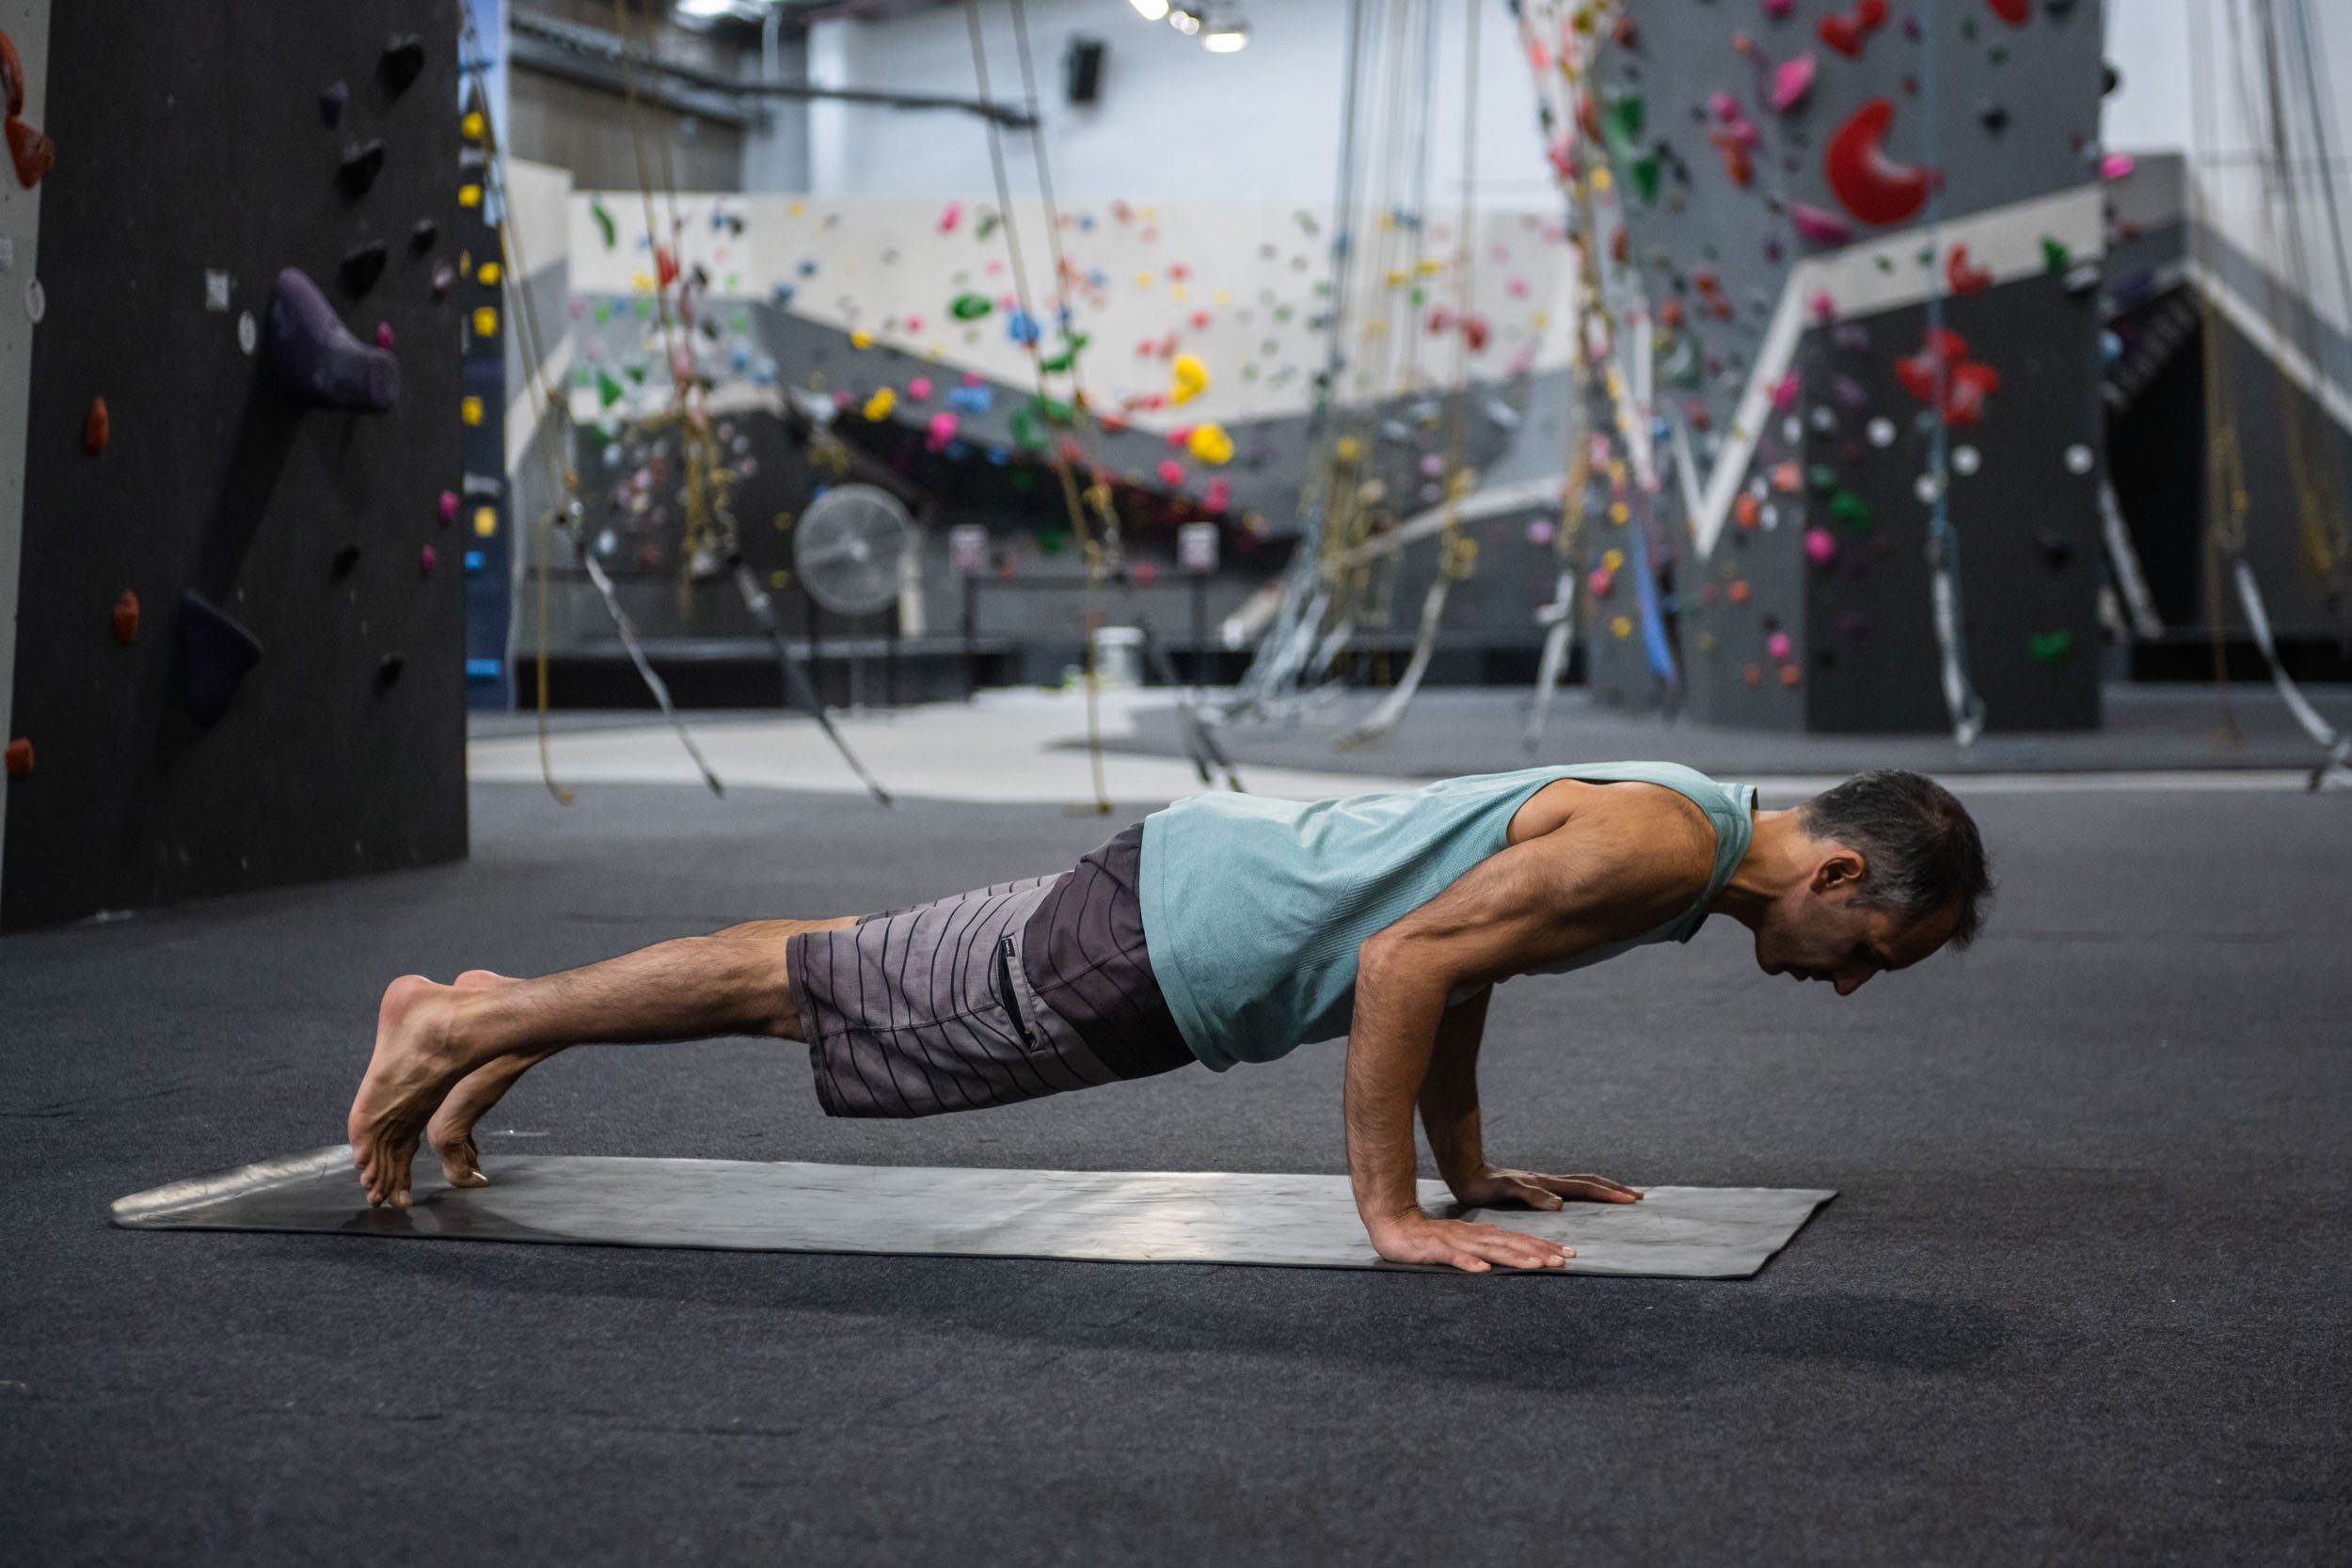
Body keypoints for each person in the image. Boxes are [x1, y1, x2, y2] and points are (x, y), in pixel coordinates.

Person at [347, 763, 1990, 1273]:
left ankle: (488, 1011)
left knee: (830, 962)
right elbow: (1414, 967)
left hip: (1189, 901)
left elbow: (1459, 954)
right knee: (809, 991)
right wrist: (1392, 1215)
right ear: (1839, 869)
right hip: (1180, 942)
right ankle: (443, 1028)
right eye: (1870, 952)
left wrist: (1473, 1171)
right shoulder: (1662, 848)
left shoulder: (1682, 841)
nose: (1847, 983)